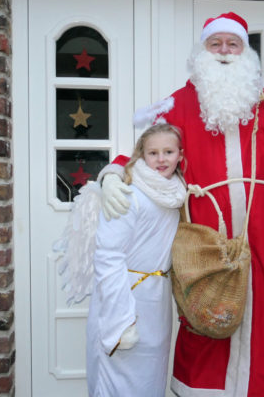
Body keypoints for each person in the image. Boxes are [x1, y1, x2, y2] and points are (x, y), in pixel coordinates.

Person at [100, 11, 264, 396]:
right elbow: (149, 150)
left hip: (260, 233)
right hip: (204, 233)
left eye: (232, 43)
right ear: (201, 50)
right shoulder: (179, 103)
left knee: (261, 313)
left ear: (245, 51)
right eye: (214, 43)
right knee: (203, 312)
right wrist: (113, 172)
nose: (223, 51)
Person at [86, 123, 187, 397]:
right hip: (124, 296)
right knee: (118, 381)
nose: (161, 159)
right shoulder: (128, 192)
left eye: (168, 151)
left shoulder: (175, 192)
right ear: (141, 155)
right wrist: (121, 319)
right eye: (153, 153)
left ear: (180, 154)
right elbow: (108, 256)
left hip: (156, 297)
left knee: (149, 381)